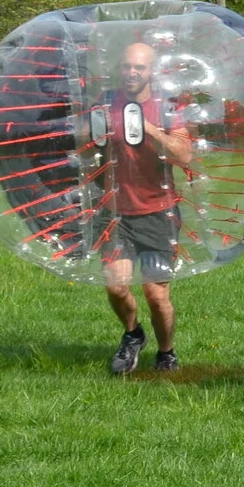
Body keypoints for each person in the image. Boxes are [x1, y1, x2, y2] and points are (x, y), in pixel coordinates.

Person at [95, 40, 194, 375]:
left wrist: (151, 130)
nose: (132, 73)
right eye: (127, 66)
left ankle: (166, 353)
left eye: (139, 67)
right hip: (116, 213)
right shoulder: (105, 104)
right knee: (115, 285)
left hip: (158, 214)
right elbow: (84, 148)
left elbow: (184, 156)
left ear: (152, 71)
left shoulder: (167, 108)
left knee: (156, 295)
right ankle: (133, 334)